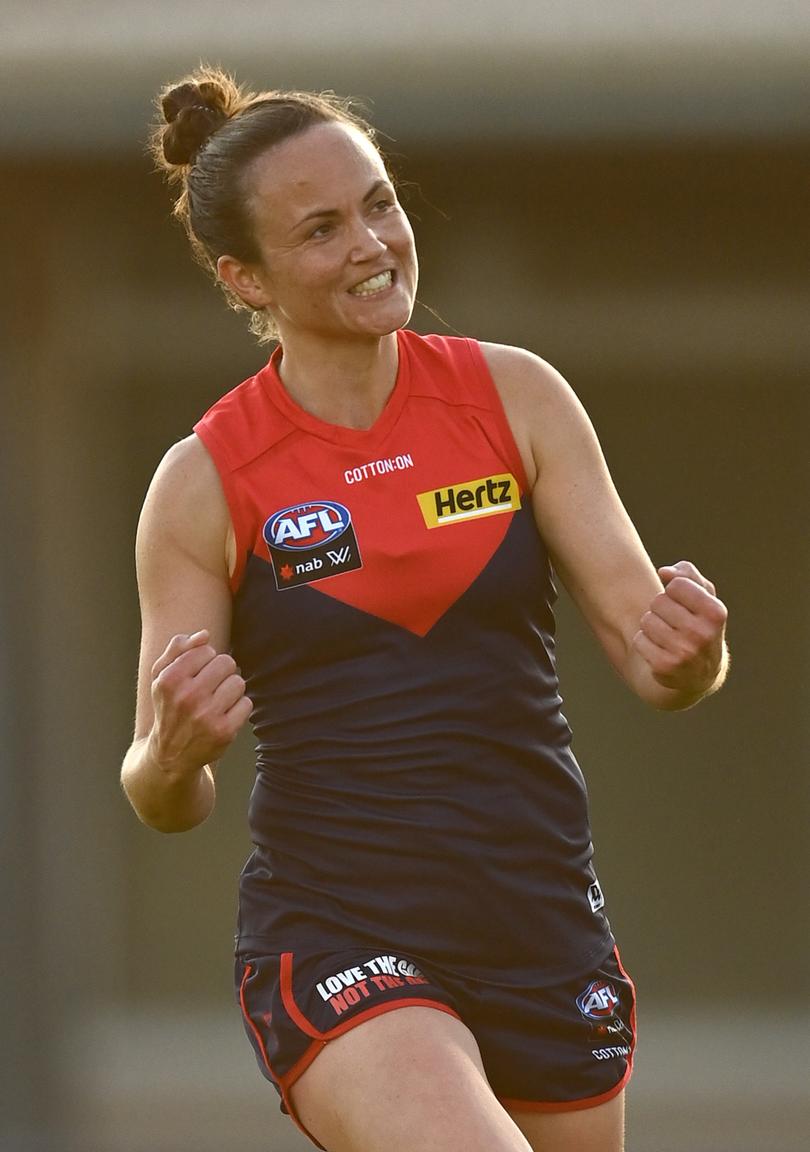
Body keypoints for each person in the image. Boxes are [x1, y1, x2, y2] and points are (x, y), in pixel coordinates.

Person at [121, 66, 729, 1152]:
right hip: (338, 933)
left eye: (379, 204)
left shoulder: (518, 396)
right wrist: (173, 752)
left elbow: (657, 661)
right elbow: (163, 792)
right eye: (319, 230)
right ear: (245, 278)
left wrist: (690, 657)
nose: (370, 243)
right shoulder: (206, 480)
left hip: (537, 919)